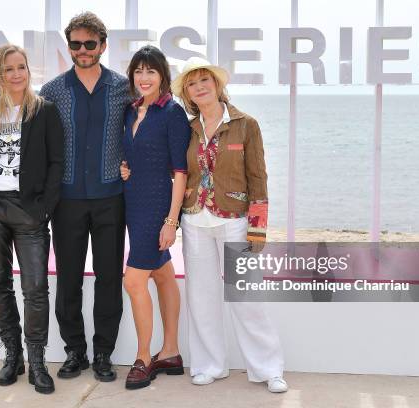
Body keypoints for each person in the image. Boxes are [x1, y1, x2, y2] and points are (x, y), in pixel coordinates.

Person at [171, 57, 289, 393]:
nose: (200, 87)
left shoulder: (245, 124)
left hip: (236, 220)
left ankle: (268, 368)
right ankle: (210, 365)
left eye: (205, 80)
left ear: (218, 85)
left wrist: (258, 226)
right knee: (201, 296)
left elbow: (258, 177)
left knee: (246, 296)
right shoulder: (188, 129)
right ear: (188, 93)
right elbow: (179, 172)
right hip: (195, 220)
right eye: (193, 84)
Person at [0, 44, 63, 394]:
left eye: (21, 67)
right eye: (9, 69)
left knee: (36, 289)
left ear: (28, 71)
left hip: (28, 210)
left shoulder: (44, 112)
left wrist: (44, 208)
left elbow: (56, 164)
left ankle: (37, 361)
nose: (16, 74)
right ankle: (13, 354)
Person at [39, 11, 132, 382]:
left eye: (89, 44)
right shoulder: (52, 92)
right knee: (69, 279)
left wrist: (132, 165)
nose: (82, 50)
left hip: (112, 197)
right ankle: (74, 352)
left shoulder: (125, 88)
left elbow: (140, 134)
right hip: (67, 201)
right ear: (69, 47)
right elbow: (41, 146)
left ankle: (104, 354)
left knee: (109, 277)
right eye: (75, 44)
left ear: (102, 46)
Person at [119, 45, 190, 390]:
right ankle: (172, 351)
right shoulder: (132, 111)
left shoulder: (172, 113)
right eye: (138, 71)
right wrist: (125, 169)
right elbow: (135, 155)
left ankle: (145, 357)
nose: (143, 78)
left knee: (133, 282)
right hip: (132, 204)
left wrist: (171, 220)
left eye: (151, 71)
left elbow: (180, 171)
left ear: (162, 75)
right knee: (162, 275)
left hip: (157, 208)